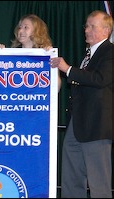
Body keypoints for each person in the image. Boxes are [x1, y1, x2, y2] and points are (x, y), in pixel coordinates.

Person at [50, 10, 113, 198]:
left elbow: (100, 79)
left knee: (98, 181)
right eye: (86, 25)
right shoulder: (89, 54)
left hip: (96, 126)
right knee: (71, 178)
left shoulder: (110, 52)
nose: (86, 30)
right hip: (76, 124)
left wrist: (68, 69)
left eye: (92, 26)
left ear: (106, 30)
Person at [0, 14, 62, 92]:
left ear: (37, 31)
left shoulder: (45, 56)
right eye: (20, 27)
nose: (20, 31)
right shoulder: (11, 56)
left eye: (26, 27)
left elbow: (55, 88)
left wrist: (51, 61)